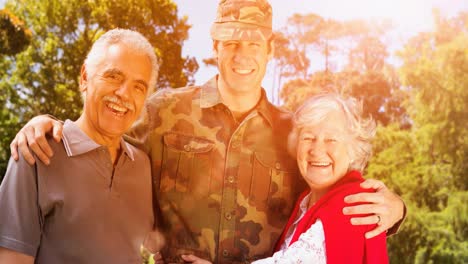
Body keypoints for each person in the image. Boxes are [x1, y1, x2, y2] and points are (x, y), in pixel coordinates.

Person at [9, 0, 405, 263]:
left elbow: (329, 197)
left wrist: (396, 209)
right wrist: (49, 126)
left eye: (253, 43)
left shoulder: (295, 132)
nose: (242, 54)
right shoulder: (164, 111)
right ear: (215, 46)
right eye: (231, 42)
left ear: (270, 50)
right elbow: (104, 128)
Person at [0, 29, 161, 263]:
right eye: (113, 76)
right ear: (85, 77)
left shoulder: (143, 165)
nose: (124, 93)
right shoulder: (35, 151)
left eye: (138, 86)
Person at [252, 93, 389, 263]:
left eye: (331, 139)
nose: (317, 150)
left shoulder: (353, 204)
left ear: (353, 148)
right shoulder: (306, 201)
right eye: (308, 138)